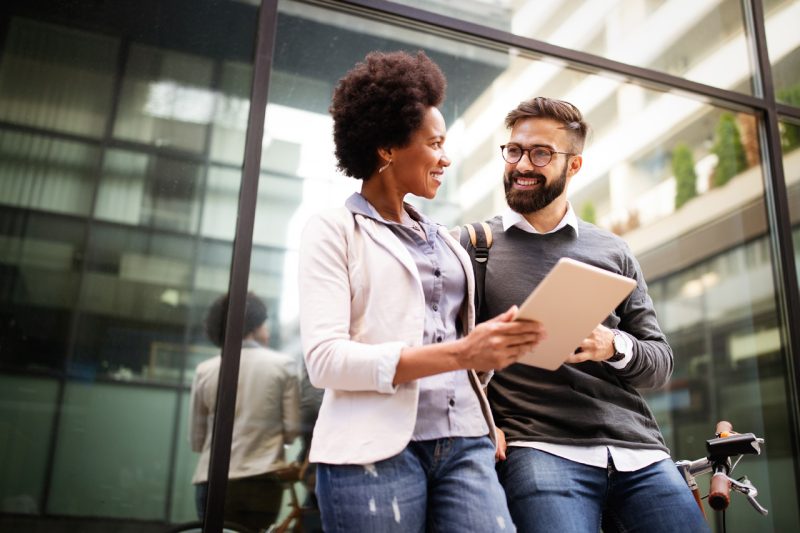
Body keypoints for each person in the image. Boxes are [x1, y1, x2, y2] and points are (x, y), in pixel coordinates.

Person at [298, 50, 544, 532]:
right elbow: (325, 360)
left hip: (466, 442)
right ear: (388, 148)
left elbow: (451, 338)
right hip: (371, 450)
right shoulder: (333, 230)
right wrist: (460, 354)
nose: (446, 158)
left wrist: (489, 362)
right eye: (435, 143)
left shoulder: (446, 242)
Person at [465, 97, 709, 532]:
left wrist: (611, 345)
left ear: (573, 166)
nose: (522, 164)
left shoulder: (612, 250)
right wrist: (483, 423)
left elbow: (659, 364)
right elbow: (449, 354)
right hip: (538, 448)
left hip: (640, 453)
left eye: (541, 153)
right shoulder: (474, 246)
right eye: (515, 150)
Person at [189, 292, 300, 531]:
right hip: (263, 481)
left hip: (212, 480)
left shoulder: (204, 370)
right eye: (265, 324)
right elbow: (292, 431)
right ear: (255, 325)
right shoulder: (284, 367)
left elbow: (197, 441)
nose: (268, 331)